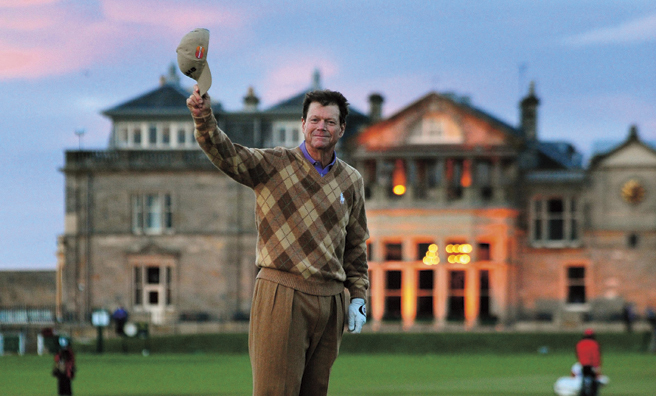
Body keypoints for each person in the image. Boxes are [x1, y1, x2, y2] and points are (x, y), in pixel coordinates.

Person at [187, 85, 369, 395]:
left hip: (331, 300)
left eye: (328, 121)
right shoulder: (274, 164)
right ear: (302, 124)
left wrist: (358, 295)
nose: (320, 127)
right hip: (283, 292)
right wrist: (203, 118)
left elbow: (355, 246)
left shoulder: (351, 179)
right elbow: (226, 154)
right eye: (314, 120)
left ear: (341, 129)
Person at [576, 328, 602, 396]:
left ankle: (583, 392)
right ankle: (592, 393)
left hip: (582, 364)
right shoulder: (594, 344)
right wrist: (597, 366)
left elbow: (578, 354)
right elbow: (596, 356)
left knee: (584, 378)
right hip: (591, 364)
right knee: (593, 380)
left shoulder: (580, 343)